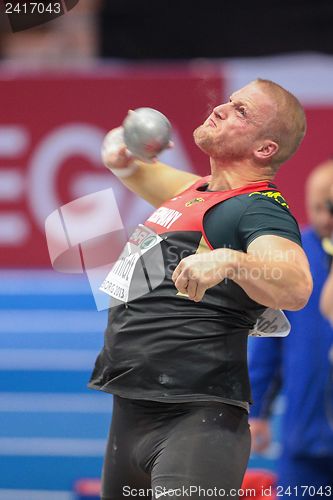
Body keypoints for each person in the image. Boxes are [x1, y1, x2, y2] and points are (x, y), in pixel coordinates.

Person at [89, 79, 313, 500]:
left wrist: (231, 260)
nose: (224, 108)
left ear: (265, 149)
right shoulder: (194, 192)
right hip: (130, 413)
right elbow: (141, 173)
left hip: (197, 422)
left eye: (241, 111)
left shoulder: (258, 208)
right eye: (229, 101)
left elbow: (298, 284)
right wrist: (123, 162)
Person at [249, 160, 333, 497]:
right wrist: (258, 412)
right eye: (318, 208)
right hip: (304, 437)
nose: (326, 217)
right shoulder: (291, 257)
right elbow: (267, 343)